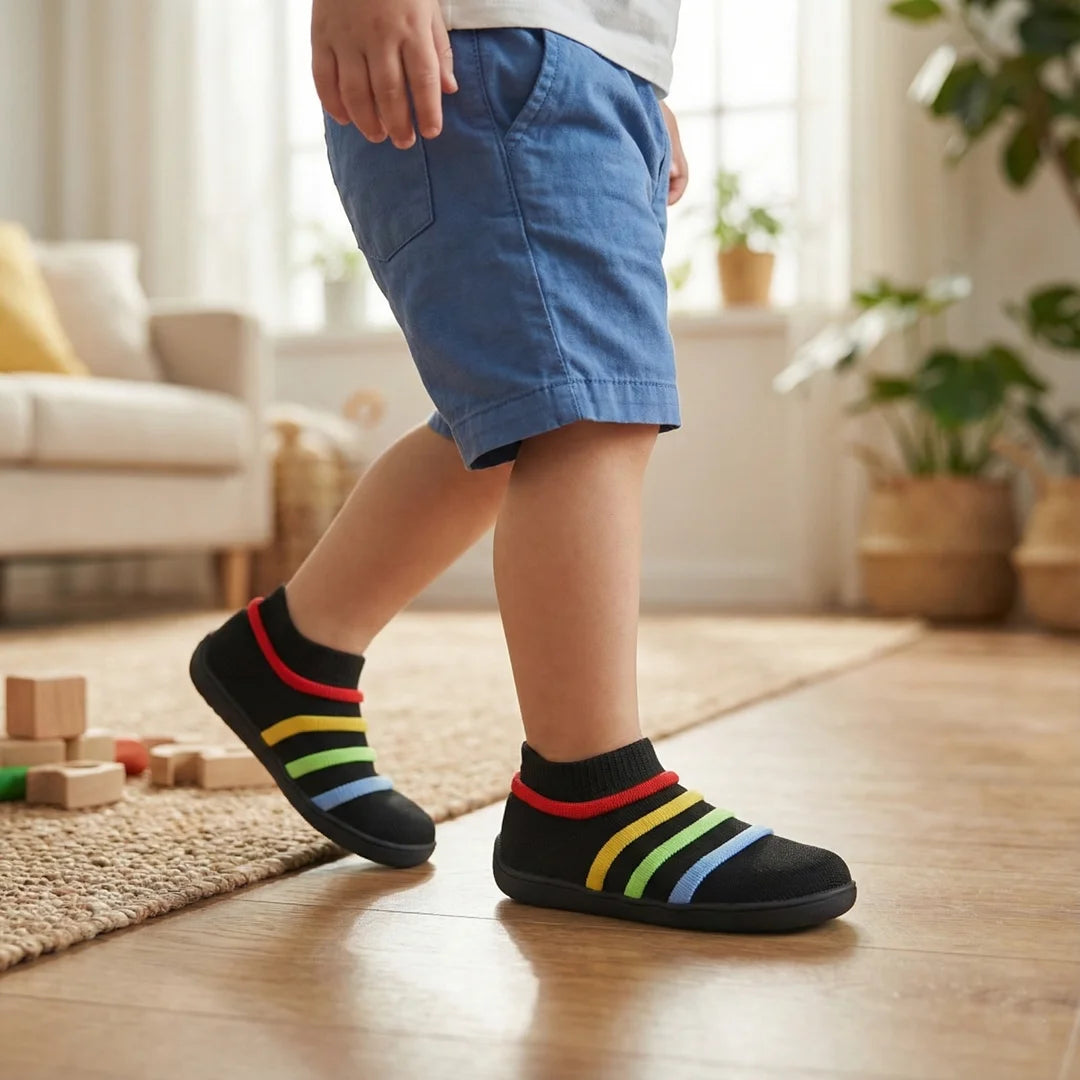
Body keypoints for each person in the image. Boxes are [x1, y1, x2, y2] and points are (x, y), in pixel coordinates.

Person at [189, 0, 856, 932]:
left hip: (583, 59)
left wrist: (631, 67)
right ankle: (586, 796)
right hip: (483, 48)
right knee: (582, 411)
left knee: (518, 417)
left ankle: (293, 651)